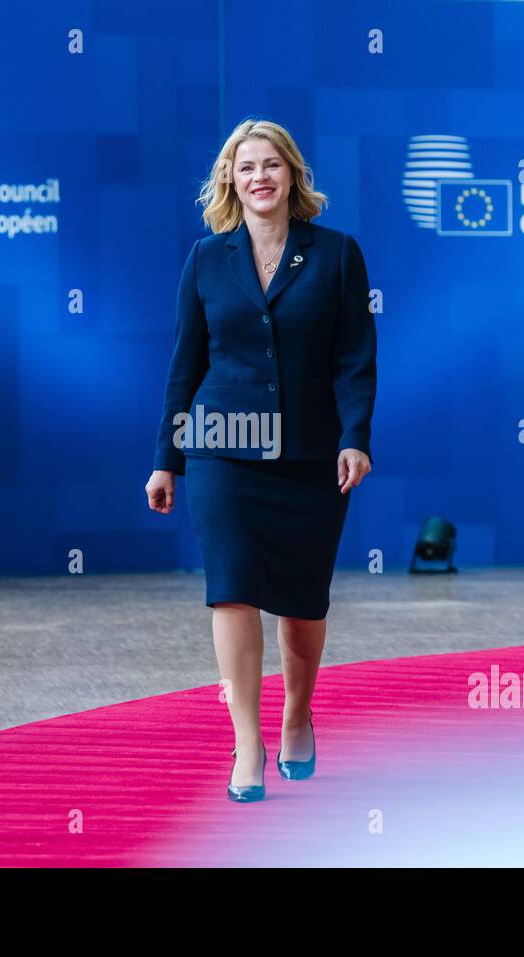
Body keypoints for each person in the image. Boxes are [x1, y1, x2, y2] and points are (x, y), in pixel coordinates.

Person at [145, 118, 376, 802]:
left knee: (302, 601)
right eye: (246, 167)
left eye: (271, 165)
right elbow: (184, 366)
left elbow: (356, 358)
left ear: (293, 175)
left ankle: (296, 714)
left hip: (311, 453)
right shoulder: (205, 260)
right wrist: (167, 458)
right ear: (230, 181)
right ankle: (245, 740)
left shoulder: (337, 254)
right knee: (232, 586)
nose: (260, 177)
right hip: (222, 446)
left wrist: (354, 436)